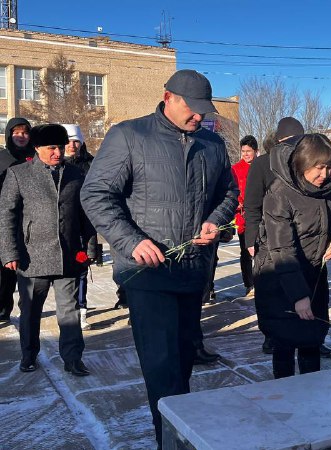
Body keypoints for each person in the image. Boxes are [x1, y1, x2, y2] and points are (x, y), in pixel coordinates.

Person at [80, 69, 238, 447]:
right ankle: (169, 440)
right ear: (168, 97)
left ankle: (177, 433)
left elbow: (228, 193)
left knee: (183, 360)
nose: (198, 116)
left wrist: (214, 221)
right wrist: (132, 241)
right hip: (147, 273)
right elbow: (96, 194)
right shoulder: (129, 135)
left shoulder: (212, 145)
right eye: (191, 107)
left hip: (192, 268)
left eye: (203, 109)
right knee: (162, 366)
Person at [0, 124, 95, 376]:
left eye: (61, 147)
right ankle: (29, 354)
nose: (58, 152)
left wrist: (90, 246)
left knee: (70, 311)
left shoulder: (75, 174)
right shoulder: (19, 174)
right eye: (52, 148)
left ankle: (73, 358)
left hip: (68, 255)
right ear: (37, 148)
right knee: (31, 311)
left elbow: (85, 214)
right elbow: (6, 215)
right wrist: (9, 252)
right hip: (33, 257)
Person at [254, 134, 331, 378]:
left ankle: (311, 390)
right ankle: (285, 392)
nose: (324, 174)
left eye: (329, 167)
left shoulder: (329, 189)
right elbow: (282, 248)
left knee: (312, 338)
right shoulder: (279, 194)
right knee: (285, 341)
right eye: (319, 167)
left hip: (313, 273)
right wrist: (298, 295)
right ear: (303, 163)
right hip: (280, 275)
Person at [243, 117, 305, 355]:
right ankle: (271, 334)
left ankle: (308, 333)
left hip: (302, 235)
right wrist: (251, 238)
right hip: (268, 236)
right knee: (270, 289)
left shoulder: (305, 161)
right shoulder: (262, 164)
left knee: (303, 285)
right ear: (278, 141)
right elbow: (252, 204)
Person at [62, 124, 99, 331]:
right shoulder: (54, 163)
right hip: (60, 224)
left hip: (83, 223)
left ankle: (81, 310)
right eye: (68, 141)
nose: (72, 145)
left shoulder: (91, 164)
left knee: (81, 267)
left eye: (76, 141)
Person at [0, 118, 34, 321]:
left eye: (25, 132)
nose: (21, 136)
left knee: (26, 270)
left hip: (30, 220)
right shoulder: (2, 158)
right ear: (9, 134)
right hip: (5, 221)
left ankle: (27, 309)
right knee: (4, 271)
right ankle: (3, 308)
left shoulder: (35, 157)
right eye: (16, 133)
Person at [232, 135, 259, 297]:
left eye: (249, 151)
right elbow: (231, 191)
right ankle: (249, 284)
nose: (246, 154)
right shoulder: (235, 169)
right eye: (243, 151)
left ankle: (263, 280)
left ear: (256, 151)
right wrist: (237, 203)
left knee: (262, 250)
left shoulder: (262, 166)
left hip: (261, 215)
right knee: (246, 251)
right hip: (244, 216)